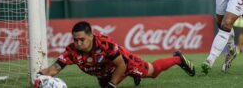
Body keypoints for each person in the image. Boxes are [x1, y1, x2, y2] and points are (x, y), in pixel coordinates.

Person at [34, 21, 195, 88]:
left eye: (82, 39)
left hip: (125, 62)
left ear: (91, 36)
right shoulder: (72, 51)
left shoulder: (105, 45)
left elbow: (121, 65)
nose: (78, 43)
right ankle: (132, 76)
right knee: (104, 84)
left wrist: (112, 86)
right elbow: (54, 69)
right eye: (75, 40)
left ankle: (177, 59)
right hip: (104, 70)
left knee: (152, 72)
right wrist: (39, 77)